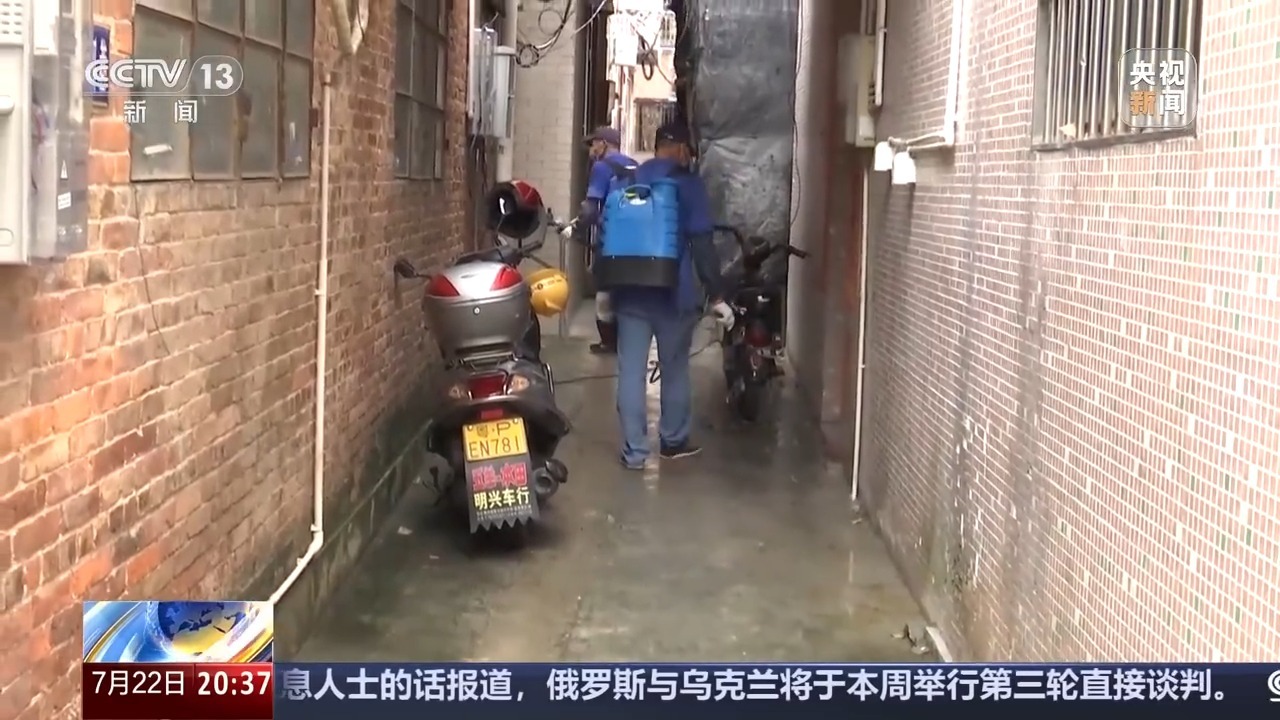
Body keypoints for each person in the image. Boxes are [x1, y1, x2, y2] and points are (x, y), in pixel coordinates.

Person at [609, 122, 735, 470]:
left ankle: (635, 452)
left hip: (630, 293)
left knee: (630, 372)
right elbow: (703, 246)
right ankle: (673, 441)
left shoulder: (629, 180)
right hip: (674, 294)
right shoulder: (688, 185)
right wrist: (717, 294)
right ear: (680, 149)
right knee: (674, 369)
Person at [580, 126, 638, 355]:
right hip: (636, 241)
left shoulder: (601, 167)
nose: (592, 149)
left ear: (604, 143)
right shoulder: (634, 166)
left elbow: (591, 208)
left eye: (594, 143)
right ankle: (629, 339)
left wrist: (577, 227)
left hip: (610, 240)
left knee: (604, 290)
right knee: (628, 289)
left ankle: (608, 342)